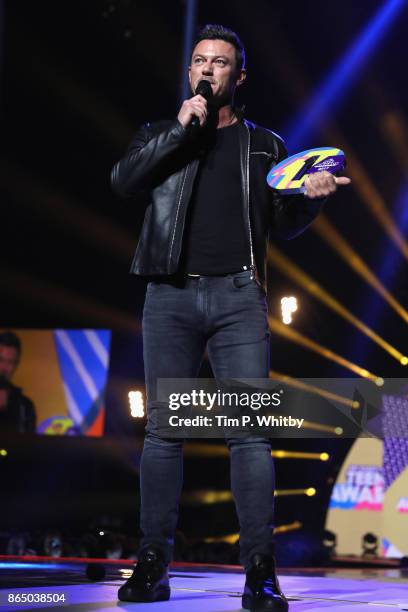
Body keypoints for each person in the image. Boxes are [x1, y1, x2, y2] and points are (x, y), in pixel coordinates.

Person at [111, 24, 350, 611]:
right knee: (165, 434)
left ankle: (260, 573)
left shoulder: (264, 144)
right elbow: (124, 182)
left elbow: (283, 222)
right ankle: (152, 563)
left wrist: (311, 200)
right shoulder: (162, 134)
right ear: (190, 73)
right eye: (199, 61)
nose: (208, 70)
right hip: (169, 297)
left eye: (220, 63)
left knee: (249, 436)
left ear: (238, 77)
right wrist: (179, 129)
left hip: (239, 299)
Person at [0, 330, 37, 433]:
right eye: (0, 360)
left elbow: (27, 445)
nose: (4, 368)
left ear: (16, 365)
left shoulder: (25, 406)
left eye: (10, 362)